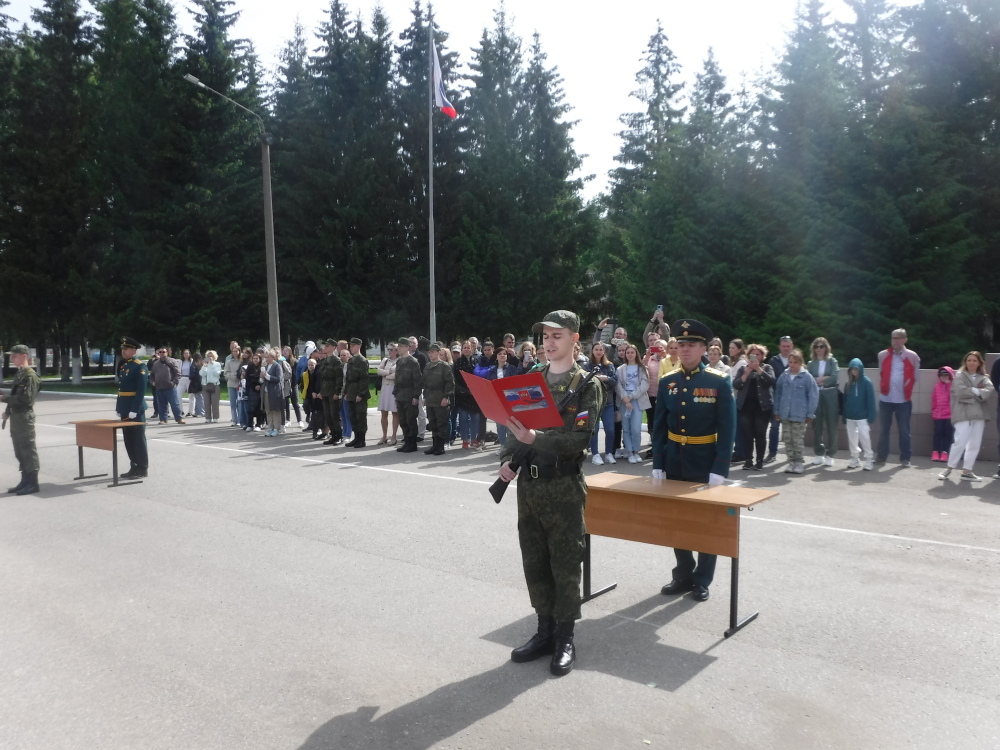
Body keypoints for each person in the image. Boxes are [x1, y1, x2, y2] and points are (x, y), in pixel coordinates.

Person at [501, 310, 602, 676]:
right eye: (545, 335)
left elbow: (579, 438)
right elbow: (514, 426)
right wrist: (508, 457)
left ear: (575, 339)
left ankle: (565, 637)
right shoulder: (531, 379)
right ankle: (543, 630)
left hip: (563, 488)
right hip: (528, 487)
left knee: (564, 565)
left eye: (557, 335)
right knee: (535, 562)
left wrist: (536, 438)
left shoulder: (587, 383)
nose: (549, 341)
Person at [651, 319, 735, 603]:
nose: (684, 350)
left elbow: (727, 428)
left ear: (703, 348)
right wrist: (658, 463)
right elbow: (659, 427)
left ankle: (702, 579)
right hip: (675, 461)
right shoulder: (667, 381)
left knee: (704, 524)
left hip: (704, 462)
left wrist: (720, 468)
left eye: (691, 345)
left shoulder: (718, 381)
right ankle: (683, 573)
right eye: (681, 345)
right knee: (676, 522)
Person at [939, 351, 995, 482]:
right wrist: (977, 391)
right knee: (959, 442)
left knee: (974, 444)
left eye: (974, 360)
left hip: (979, 415)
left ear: (979, 363)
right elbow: (960, 393)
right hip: (963, 414)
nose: (971, 363)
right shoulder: (959, 376)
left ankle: (967, 471)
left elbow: (988, 392)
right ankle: (949, 468)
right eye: (969, 360)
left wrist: (971, 391)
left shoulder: (984, 378)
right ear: (965, 362)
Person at [876, 329, 920, 466]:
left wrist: (905, 385)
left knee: (904, 430)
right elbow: (881, 373)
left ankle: (905, 458)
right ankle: (881, 457)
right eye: (893, 338)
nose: (896, 340)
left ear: (905, 340)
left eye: (899, 338)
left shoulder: (912, 356)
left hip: (903, 400)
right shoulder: (883, 355)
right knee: (884, 429)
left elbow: (916, 376)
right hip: (886, 399)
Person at [2, 344, 41, 494]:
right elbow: (14, 395)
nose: (12, 359)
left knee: (28, 449)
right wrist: (7, 412)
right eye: (11, 356)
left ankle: (33, 482)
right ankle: (25, 480)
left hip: (24, 417)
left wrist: (3, 398)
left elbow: (27, 400)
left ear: (24, 356)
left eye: (15, 356)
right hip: (16, 417)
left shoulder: (31, 376)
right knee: (19, 450)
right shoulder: (20, 374)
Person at [773, 349, 819, 474]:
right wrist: (777, 410)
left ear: (800, 363)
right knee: (787, 439)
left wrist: (810, 413)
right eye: (790, 362)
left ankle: (799, 462)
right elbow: (778, 394)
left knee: (797, 439)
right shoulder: (784, 376)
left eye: (795, 362)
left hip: (799, 414)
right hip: (785, 414)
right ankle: (791, 462)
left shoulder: (807, 377)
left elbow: (813, 396)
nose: (792, 365)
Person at [732, 343, 775, 471]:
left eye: (758, 354)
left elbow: (770, 381)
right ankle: (748, 460)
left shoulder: (767, 367)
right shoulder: (743, 368)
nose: (755, 356)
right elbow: (736, 384)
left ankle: (760, 461)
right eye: (753, 354)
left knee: (760, 433)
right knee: (747, 434)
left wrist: (759, 370)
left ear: (762, 356)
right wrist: (746, 373)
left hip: (762, 407)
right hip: (745, 406)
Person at [114, 336, 149, 479]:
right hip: (125, 408)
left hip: (135, 409)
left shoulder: (140, 366)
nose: (123, 351)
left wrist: (134, 409)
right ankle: (133, 466)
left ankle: (142, 468)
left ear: (134, 351)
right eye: (122, 349)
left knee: (138, 439)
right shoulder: (123, 365)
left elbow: (141, 390)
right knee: (128, 439)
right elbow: (121, 389)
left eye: (126, 349)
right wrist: (119, 407)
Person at [807, 337, 840, 467]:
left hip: (830, 394)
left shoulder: (832, 361)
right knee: (817, 425)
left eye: (822, 346)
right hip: (816, 395)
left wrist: (820, 380)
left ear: (826, 348)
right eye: (817, 346)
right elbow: (809, 379)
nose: (819, 349)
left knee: (832, 424)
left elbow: (834, 378)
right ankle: (819, 453)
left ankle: (831, 454)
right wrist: (823, 378)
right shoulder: (811, 363)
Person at [616, 343, 650, 464]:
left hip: (637, 399)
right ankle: (629, 452)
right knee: (626, 428)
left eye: (632, 352)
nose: (630, 354)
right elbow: (618, 385)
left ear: (636, 354)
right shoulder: (620, 369)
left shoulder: (642, 368)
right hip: (624, 401)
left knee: (636, 428)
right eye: (628, 352)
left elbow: (644, 385)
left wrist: (630, 397)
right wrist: (625, 398)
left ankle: (636, 451)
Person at [841, 358, 877, 470]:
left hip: (862, 417)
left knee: (865, 437)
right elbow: (845, 401)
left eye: (856, 369)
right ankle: (855, 458)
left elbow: (871, 400)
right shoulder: (848, 384)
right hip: (850, 417)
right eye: (852, 369)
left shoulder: (867, 383)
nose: (854, 371)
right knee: (852, 439)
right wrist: (844, 415)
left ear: (861, 369)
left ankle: (869, 459)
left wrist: (872, 415)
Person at [585, 341, 617, 465]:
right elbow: (583, 383)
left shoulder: (609, 366)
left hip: (608, 402)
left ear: (604, 351)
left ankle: (609, 453)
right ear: (592, 351)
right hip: (593, 403)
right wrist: (595, 379)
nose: (598, 352)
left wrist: (606, 378)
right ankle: (595, 454)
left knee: (610, 430)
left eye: (600, 349)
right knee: (595, 429)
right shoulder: (587, 366)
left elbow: (615, 382)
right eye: (596, 349)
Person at [422, 343, 455, 455]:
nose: (430, 354)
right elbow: (425, 384)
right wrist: (425, 397)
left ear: (438, 352)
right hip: (430, 398)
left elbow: (450, 384)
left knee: (441, 423)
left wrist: (446, 397)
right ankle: (435, 445)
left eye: (432, 352)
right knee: (432, 423)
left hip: (441, 398)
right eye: (429, 352)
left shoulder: (444, 366)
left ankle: (441, 446)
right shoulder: (427, 366)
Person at [766, 336, 793, 463]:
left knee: (791, 428)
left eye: (788, 346)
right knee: (774, 427)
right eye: (784, 346)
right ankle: (772, 453)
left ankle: (792, 454)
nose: (786, 348)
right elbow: (771, 380)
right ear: (780, 347)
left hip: (792, 400)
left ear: (791, 346)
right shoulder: (773, 360)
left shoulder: (795, 360)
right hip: (776, 398)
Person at [393, 337, 423, 453]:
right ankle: (407, 441)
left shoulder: (413, 362)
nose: (399, 349)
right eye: (398, 347)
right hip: (400, 394)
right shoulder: (400, 361)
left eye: (400, 346)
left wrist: (416, 396)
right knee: (403, 420)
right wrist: (395, 394)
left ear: (407, 347)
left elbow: (417, 380)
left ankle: (412, 443)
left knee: (410, 419)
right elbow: (397, 379)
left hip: (410, 395)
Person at [487, 347, 519, 448]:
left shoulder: (512, 368)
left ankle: (511, 447)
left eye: (504, 354)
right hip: (497, 401)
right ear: (496, 356)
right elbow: (489, 384)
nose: (502, 355)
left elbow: (515, 383)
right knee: (500, 424)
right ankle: (503, 446)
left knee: (511, 425)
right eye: (500, 354)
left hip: (510, 400)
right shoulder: (492, 370)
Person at [453, 340, 481, 450]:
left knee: (475, 418)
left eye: (468, 347)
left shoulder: (476, 361)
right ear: (462, 349)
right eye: (464, 347)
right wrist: (465, 390)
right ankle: (465, 440)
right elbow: (456, 380)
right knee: (463, 418)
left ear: (472, 349)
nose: (466, 349)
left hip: (475, 395)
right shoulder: (458, 363)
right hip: (463, 394)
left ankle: (474, 439)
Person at [344, 338, 370, 448]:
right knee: (352, 416)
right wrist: (346, 392)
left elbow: (364, 380)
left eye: (353, 345)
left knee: (360, 417)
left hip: (359, 393)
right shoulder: (351, 360)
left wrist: (360, 394)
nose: (351, 347)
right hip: (350, 392)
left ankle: (362, 439)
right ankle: (356, 437)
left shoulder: (362, 361)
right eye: (350, 346)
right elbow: (348, 379)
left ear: (359, 346)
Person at [316, 339, 343, 445]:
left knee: (334, 415)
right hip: (325, 390)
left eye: (328, 346)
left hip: (333, 391)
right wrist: (321, 392)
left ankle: (339, 436)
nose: (325, 347)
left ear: (333, 347)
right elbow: (322, 379)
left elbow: (339, 378)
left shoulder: (336, 361)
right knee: (327, 415)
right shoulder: (324, 361)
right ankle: (333, 435)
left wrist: (337, 392)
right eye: (325, 346)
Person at [149, 347, 184, 424]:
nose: (161, 353)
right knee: (161, 404)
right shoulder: (156, 363)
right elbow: (151, 375)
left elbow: (177, 374)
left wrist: (173, 382)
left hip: (170, 387)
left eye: (163, 352)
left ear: (167, 353)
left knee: (174, 404)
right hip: (159, 387)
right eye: (160, 352)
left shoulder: (172, 361)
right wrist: (153, 383)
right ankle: (163, 419)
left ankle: (179, 418)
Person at [376, 343, 399, 445]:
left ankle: (394, 436)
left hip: (394, 388)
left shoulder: (400, 361)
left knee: (395, 413)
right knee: (384, 412)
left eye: (392, 349)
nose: (390, 351)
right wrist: (387, 372)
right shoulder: (385, 360)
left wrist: (387, 375)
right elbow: (378, 371)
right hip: (385, 388)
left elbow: (396, 375)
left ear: (397, 351)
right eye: (389, 349)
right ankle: (384, 435)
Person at [930, 367, 954, 462]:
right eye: (942, 375)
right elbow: (934, 400)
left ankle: (945, 452)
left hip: (949, 416)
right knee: (937, 434)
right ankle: (935, 451)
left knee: (947, 434)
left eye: (946, 375)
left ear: (950, 376)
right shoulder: (937, 386)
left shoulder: (952, 387)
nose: (943, 377)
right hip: (938, 416)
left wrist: (948, 385)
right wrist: (934, 411)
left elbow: (953, 398)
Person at [260, 348, 284, 436]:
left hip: (274, 392)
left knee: (275, 410)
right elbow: (262, 380)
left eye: (268, 357)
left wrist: (266, 375)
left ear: (273, 357)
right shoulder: (265, 367)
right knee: (268, 410)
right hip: (266, 392)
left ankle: (276, 428)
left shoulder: (277, 366)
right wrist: (261, 377)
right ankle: (270, 427)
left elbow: (278, 379)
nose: (266, 359)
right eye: (266, 357)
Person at [282, 345, 303, 428]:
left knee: (295, 403)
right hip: (285, 385)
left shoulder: (295, 361)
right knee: (286, 403)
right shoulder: (281, 361)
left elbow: (297, 373)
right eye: (283, 350)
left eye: (286, 350)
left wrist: (297, 382)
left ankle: (300, 420)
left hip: (293, 384)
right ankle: (288, 420)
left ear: (290, 352)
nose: (285, 352)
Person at [223, 341, 242, 426]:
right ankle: (234, 419)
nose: (235, 353)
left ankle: (240, 420)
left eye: (236, 351)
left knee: (239, 403)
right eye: (233, 351)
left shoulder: (241, 361)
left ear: (239, 351)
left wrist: (237, 376)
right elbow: (225, 373)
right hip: (231, 384)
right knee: (233, 403)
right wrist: (234, 375)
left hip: (239, 384)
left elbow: (243, 372)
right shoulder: (229, 362)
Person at [200, 350, 222, 422]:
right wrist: (205, 366)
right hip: (205, 385)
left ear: (214, 357)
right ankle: (208, 418)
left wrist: (212, 365)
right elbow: (201, 374)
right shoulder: (205, 364)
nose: (210, 357)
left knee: (215, 402)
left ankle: (215, 417)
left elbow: (217, 374)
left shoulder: (217, 364)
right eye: (209, 356)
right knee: (206, 402)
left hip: (215, 385)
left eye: (211, 356)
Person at [178, 349, 195, 416]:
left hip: (189, 379)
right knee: (178, 395)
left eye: (187, 353)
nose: (186, 355)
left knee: (191, 396)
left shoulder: (192, 361)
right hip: (181, 379)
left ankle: (190, 411)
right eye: (185, 353)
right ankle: (180, 410)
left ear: (189, 354)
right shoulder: (180, 362)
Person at [189, 352, 205, 418]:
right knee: (200, 398)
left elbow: (191, 376)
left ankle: (201, 412)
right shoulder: (202, 364)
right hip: (201, 382)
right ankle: (198, 412)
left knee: (198, 398)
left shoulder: (193, 365)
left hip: (195, 383)